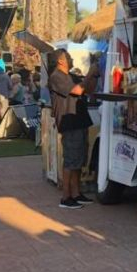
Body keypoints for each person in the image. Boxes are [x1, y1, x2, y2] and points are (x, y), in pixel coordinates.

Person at [48, 49, 99, 209]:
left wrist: (94, 74)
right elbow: (76, 91)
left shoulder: (72, 76)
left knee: (79, 159)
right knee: (71, 160)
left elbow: (88, 89)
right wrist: (90, 72)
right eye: (68, 57)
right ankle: (66, 197)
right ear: (60, 61)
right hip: (69, 122)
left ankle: (76, 194)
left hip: (80, 120)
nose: (71, 59)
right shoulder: (56, 77)